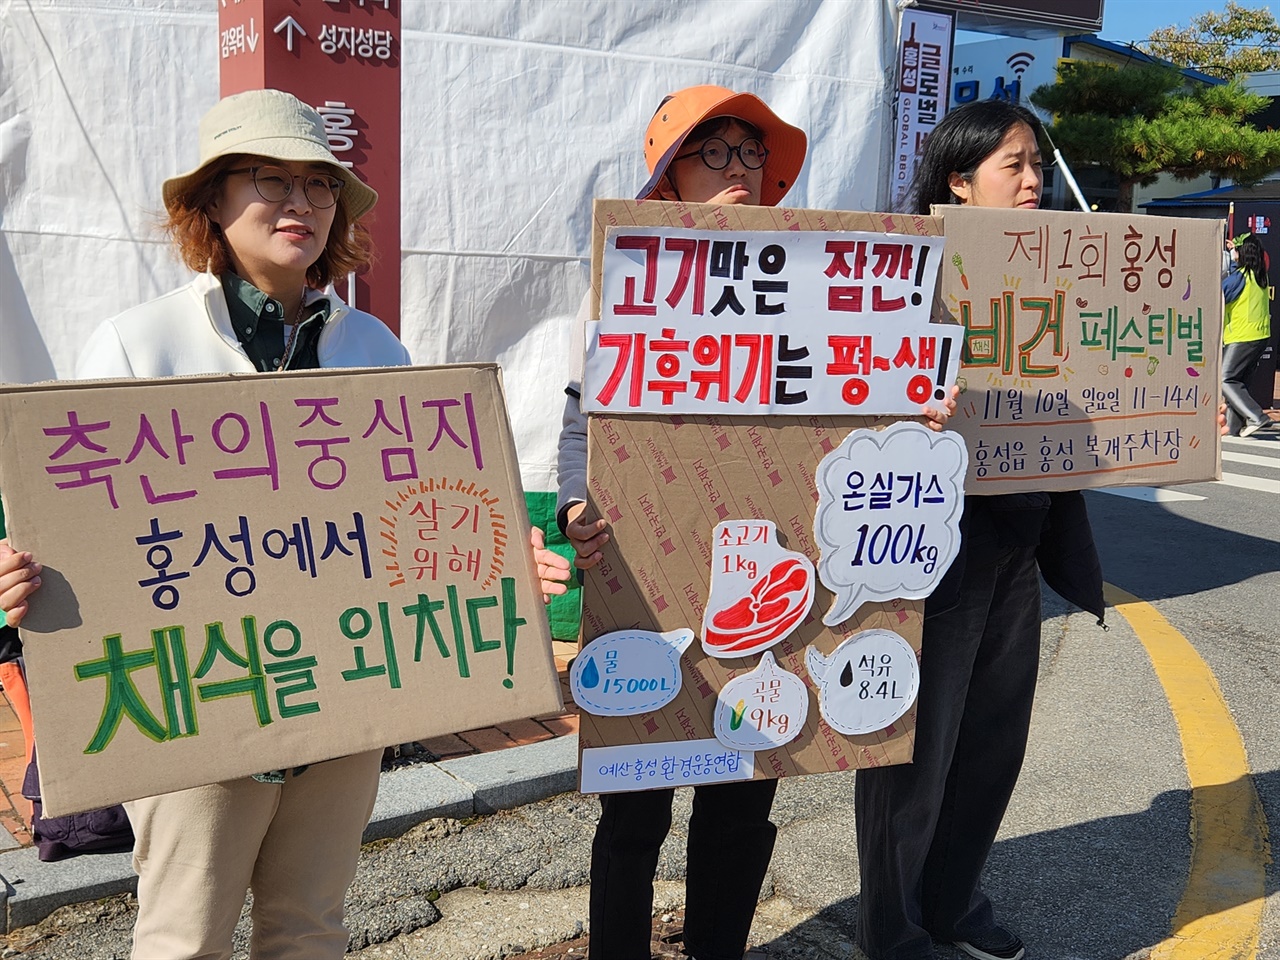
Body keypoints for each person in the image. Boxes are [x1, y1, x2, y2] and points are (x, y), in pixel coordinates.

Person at [0, 88, 569, 960]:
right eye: (269, 178)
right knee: (183, 937)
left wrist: (491, 554)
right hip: (197, 697)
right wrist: (25, 578)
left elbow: (410, 511)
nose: (299, 202)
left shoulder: (376, 348)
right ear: (211, 203)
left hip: (347, 687)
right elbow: (93, 531)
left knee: (310, 928)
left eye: (319, 184)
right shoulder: (135, 344)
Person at [556, 85, 955, 960]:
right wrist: (576, 506)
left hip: (776, 594)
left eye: (751, 153)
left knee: (744, 791)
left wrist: (920, 410)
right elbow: (584, 429)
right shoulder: (630, 281)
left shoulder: (827, 284)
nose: (740, 168)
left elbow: (871, 415)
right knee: (635, 804)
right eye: (716, 150)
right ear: (668, 180)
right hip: (653, 590)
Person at [853, 100, 1105, 960]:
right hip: (933, 550)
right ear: (958, 182)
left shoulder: (1069, 274)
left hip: (1020, 538)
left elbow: (1113, 384)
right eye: (1013, 165)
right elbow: (855, 399)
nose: (1034, 181)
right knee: (914, 752)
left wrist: (1178, 413)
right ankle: (892, 931)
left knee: (994, 740)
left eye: (1038, 163)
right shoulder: (904, 275)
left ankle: (954, 902)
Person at [1221, 233, 1277, 438]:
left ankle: (1257, 416)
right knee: (1238, 381)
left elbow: (1221, 293)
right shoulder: (1259, 275)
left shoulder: (1239, 278)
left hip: (1241, 337)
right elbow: (1239, 277)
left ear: (1242, 253)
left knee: (1225, 379)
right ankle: (1233, 429)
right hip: (1260, 337)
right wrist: (1235, 256)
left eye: (1235, 249)